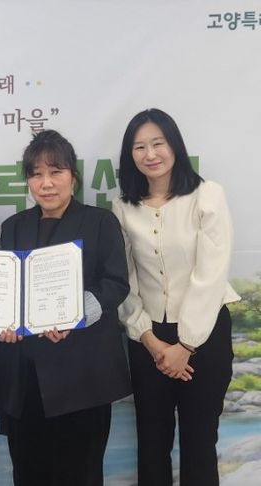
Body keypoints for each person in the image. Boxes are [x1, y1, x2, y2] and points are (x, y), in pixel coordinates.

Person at [0, 129, 132, 486]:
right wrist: (1, 324)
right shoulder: (13, 227)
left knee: (80, 474)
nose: (46, 183)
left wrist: (74, 316)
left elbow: (116, 283)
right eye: (36, 174)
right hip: (25, 380)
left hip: (83, 377)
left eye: (56, 172)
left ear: (73, 176)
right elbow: (5, 292)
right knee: (28, 473)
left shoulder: (100, 222)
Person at [112, 108, 240, 486]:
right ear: (130, 155)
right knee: (152, 443)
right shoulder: (123, 207)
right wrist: (150, 341)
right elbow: (125, 280)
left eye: (158, 143)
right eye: (139, 147)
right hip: (147, 337)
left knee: (200, 442)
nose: (150, 154)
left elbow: (211, 275)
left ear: (175, 146)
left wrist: (185, 345)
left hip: (205, 335)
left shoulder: (207, 195)